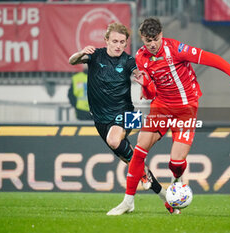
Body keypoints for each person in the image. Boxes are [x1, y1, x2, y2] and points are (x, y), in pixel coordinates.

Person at [107, 17, 230, 215]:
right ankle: (128, 201)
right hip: (161, 107)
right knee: (139, 150)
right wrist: (145, 86)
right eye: (148, 41)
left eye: (155, 39)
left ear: (161, 35)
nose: (152, 44)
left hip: (186, 109)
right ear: (142, 40)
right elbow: (151, 91)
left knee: (176, 162)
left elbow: (216, 60)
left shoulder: (177, 49)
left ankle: (176, 184)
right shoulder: (141, 57)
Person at [68, 22, 179, 214]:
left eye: (122, 42)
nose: (118, 45)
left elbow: (139, 72)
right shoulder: (95, 56)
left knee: (114, 140)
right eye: (115, 41)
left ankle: (140, 187)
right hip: (101, 120)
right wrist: (80, 52)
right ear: (106, 41)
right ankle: (165, 197)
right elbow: (72, 61)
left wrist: (143, 79)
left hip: (128, 114)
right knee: (134, 164)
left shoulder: (128, 60)